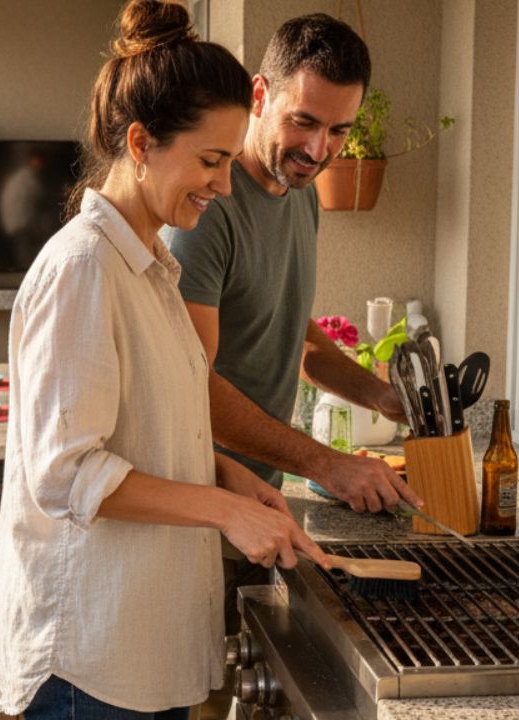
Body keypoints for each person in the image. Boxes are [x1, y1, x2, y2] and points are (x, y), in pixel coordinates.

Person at [0, 2, 330, 718]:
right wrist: (224, 513)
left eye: (228, 161)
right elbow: (67, 472)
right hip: (88, 666)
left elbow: (160, 430)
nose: (223, 184)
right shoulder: (83, 269)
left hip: (137, 650)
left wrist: (237, 481)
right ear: (141, 143)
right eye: (209, 161)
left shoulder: (151, 267)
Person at [165, 14, 426, 631]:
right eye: (303, 121)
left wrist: (384, 397)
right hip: (205, 512)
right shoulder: (208, 213)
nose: (318, 149)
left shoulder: (300, 192)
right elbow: (190, 386)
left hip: (263, 505)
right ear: (260, 95)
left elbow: (294, 336)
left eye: (339, 129)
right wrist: (326, 464)